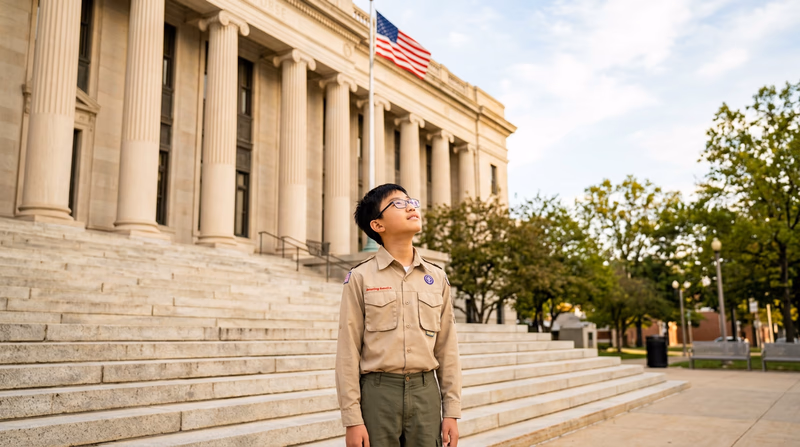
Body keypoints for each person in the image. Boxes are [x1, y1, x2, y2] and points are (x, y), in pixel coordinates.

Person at [335, 183, 462, 447]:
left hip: (425, 392)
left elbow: (447, 348)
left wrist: (451, 411)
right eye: (398, 203)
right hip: (378, 394)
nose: (411, 206)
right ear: (377, 225)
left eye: (411, 201)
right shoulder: (360, 277)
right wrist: (352, 419)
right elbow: (348, 350)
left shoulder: (436, 278)